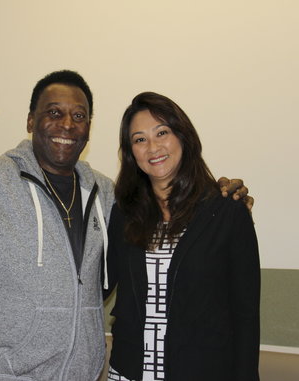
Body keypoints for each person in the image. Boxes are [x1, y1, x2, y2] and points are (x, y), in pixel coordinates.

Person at [0, 42, 252, 381]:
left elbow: (166, 202)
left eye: (78, 116)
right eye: (54, 113)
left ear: (88, 129)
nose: (67, 125)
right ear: (31, 121)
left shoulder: (109, 195)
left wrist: (219, 195)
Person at [104, 92, 260, 381]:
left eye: (162, 132)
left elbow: (246, 317)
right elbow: (95, 286)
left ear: (183, 136)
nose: (153, 147)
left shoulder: (227, 212)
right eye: (139, 139)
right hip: (128, 372)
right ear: (130, 153)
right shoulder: (124, 214)